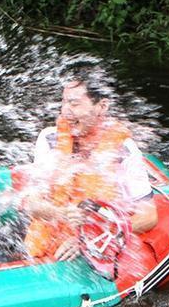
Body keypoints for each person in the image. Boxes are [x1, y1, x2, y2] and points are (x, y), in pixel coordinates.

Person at [22, 76, 158, 263]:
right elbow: (32, 203)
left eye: (74, 104)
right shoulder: (49, 139)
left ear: (101, 106)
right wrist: (60, 213)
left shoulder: (123, 150)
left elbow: (149, 216)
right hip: (44, 235)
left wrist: (89, 239)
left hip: (88, 246)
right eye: (64, 102)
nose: (66, 112)